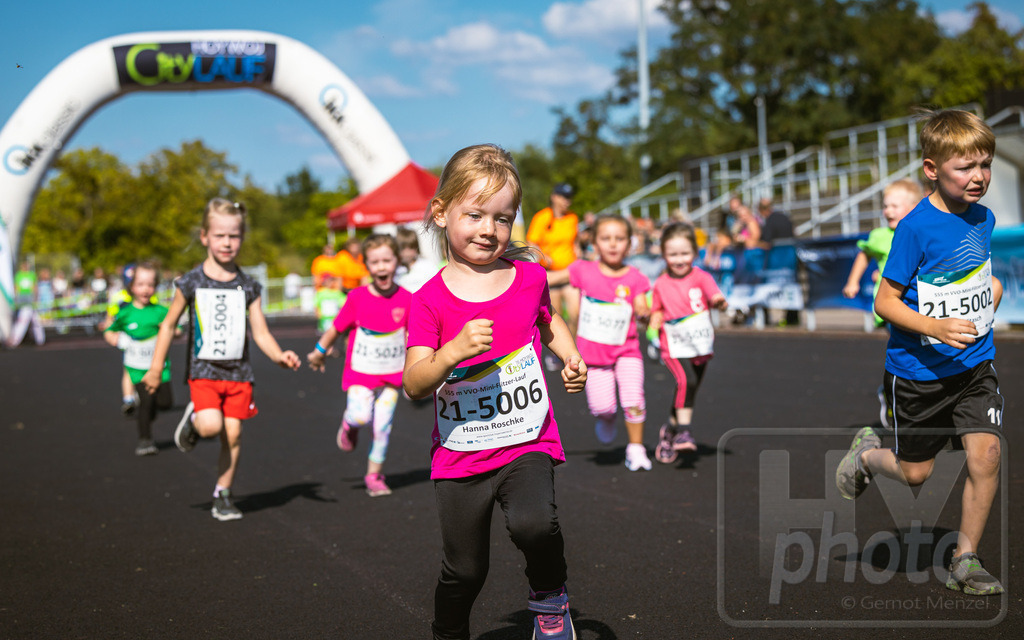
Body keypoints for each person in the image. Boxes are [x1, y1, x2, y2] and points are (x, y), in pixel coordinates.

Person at [403, 144, 586, 640]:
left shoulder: (529, 278)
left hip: (526, 437)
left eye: (503, 219)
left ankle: (550, 600)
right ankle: (448, 632)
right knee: (465, 571)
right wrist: (451, 352)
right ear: (440, 213)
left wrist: (571, 358)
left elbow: (550, 321)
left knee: (535, 525)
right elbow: (414, 383)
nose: (489, 229)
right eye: (476, 215)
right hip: (461, 453)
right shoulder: (428, 301)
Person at [836, 109, 1005, 596]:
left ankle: (965, 560)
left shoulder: (984, 217)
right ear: (932, 169)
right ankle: (868, 457)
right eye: (965, 167)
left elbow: (975, 276)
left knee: (987, 455)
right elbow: (884, 302)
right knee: (915, 474)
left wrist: (988, 295)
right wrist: (935, 326)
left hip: (974, 364)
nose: (978, 177)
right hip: (918, 372)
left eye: (985, 165)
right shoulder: (914, 228)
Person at [142, 198, 301, 522]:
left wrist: (278, 355)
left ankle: (223, 493)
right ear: (205, 236)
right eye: (219, 235)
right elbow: (168, 325)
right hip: (204, 372)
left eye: (234, 236)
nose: (227, 243)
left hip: (239, 374)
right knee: (212, 426)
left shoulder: (249, 286)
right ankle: (196, 419)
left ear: (242, 237)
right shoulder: (191, 282)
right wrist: (156, 369)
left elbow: (260, 332)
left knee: (234, 434)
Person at [307, 234, 411, 497]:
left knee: (382, 427)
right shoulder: (357, 298)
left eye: (387, 260)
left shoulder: (407, 299)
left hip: (391, 377)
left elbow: (414, 337)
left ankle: (374, 475)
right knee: (361, 416)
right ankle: (349, 424)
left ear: (397, 262)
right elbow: (336, 328)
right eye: (375, 262)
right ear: (366, 265)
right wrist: (319, 351)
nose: (381, 267)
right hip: (361, 374)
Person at [563, 213, 653, 471]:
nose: (613, 244)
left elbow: (641, 304)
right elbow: (551, 278)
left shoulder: (635, 277)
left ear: (630, 243)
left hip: (627, 351)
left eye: (620, 238)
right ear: (594, 243)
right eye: (606, 238)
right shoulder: (583, 270)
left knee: (633, 398)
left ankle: (636, 448)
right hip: (594, 358)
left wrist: (643, 311)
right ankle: (607, 417)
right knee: (602, 407)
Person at [649, 223, 727, 463]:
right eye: (673, 254)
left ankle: (670, 431)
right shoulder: (661, 283)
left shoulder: (702, 277)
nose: (679, 259)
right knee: (686, 380)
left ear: (694, 252)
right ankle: (684, 432)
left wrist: (720, 302)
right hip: (673, 344)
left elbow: (715, 295)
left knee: (688, 389)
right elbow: (656, 309)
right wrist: (653, 323)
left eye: (684, 253)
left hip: (699, 344)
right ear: (664, 255)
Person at [103, 262, 174, 456]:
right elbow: (109, 331)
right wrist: (116, 339)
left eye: (150, 285)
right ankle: (145, 441)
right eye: (141, 284)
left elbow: (175, 329)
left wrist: (173, 332)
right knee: (145, 402)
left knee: (165, 402)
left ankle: (149, 413)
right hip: (137, 367)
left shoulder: (161, 311)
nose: (146, 289)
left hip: (160, 367)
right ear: (132, 287)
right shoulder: (125, 313)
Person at [842, 179, 924, 325]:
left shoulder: (922, 233)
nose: (888, 211)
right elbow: (864, 254)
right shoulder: (879, 236)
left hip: (919, 301)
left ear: (914, 207)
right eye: (885, 206)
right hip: (891, 304)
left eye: (895, 206)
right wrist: (852, 282)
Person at [527, 182, 580, 350]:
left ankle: (571, 349)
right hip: (550, 273)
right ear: (554, 197)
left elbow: (575, 242)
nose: (567, 201)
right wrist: (544, 257)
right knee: (555, 319)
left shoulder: (572, 218)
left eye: (569, 198)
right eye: (563, 197)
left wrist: (580, 255)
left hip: (569, 272)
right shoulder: (542, 217)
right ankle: (557, 353)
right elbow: (531, 243)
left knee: (576, 314)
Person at [5, 260, 45, 348]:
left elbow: (35, 287)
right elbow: (16, 287)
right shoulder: (19, 275)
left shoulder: (32, 275)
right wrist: (16, 299)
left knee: (34, 320)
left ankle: (40, 339)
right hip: (23, 300)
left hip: (30, 299)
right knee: (25, 319)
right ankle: (16, 340)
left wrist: (36, 298)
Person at [395, 226, 440, 293]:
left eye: (411, 247)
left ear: (416, 247)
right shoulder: (395, 269)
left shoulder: (427, 266)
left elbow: (437, 285)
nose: (407, 253)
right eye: (403, 248)